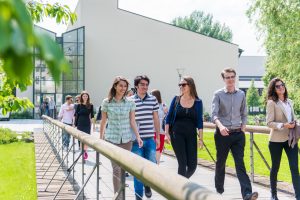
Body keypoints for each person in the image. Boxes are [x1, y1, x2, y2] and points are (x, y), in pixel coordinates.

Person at [211, 68, 258, 200]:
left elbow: (244, 113)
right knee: (221, 162)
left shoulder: (241, 94)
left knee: (240, 163)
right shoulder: (218, 94)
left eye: (232, 77)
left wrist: (243, 125)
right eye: (228, 77)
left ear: (235, 77)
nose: (230, 79)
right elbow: (214, 115)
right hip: (222, 135)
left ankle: (247, 193)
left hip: (238, 135)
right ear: (224, 79)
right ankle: (219, 189)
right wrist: (220, 127)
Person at [100, 76, 143, 200]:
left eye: (125, 86)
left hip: (126, 140)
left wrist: (138, 137)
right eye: (120, 86)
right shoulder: (106, 102)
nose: (123, 88)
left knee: (123, 169)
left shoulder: (130, 102)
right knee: (116, 169)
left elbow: (132, 121)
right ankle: (118, 197)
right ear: (115, 86)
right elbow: (103, 121)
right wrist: (100, 138)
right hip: (111, 139)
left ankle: (122, 196)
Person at [266, 78, 300, 200]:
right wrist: (284, 125)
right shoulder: (271, 103)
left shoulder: (289, 102)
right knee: (275, 167)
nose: (281, 87)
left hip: (291, 139)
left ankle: (298, 196)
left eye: (282, 85)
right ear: (273, 89)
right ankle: (273, 194)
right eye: (277, 86)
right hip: (276, 141)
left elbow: (292, 118)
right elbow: (269, 123)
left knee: (295, 167)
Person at [128, 75, 160, 200]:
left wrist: (157, 136)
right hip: (135, 141)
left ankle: (148, 184)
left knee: (151, 166)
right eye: (142, 84)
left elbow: (156, 118)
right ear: (136, 86)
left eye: (146, 84)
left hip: (149, 139)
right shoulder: (130, 100)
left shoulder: (153, 100)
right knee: (137, 170)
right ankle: (138, 196)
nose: (145, 87)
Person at [165, 77, 203, 178]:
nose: (181, 87)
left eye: (183, 84)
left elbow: (199, 121)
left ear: (190, 85)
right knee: (182, 164)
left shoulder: (198, 102)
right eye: (180, 85)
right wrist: (166, 133)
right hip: (176, 134)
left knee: (192, 166)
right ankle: (179, 191)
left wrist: (201, 138)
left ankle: (179, 185)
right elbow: (168, 117)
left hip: (191, 135)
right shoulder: (176, 99)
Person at [74, 91, 94, 160]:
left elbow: (92, 116)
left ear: (88, 97)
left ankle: (85, 151)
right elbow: (76, 115)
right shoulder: (78, 105)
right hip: (80, 123)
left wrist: (93, 126)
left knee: (86, 137)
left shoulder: (91, 105)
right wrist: (74, 124)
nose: (85, 97)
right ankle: (82, 150)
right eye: (84, 96)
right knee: (80, 138)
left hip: (87, 124)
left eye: (86, 96)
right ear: (81, 97)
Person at [150, 89, 168, 164]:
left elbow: (167, 116)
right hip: (152, 130)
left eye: (151, 94)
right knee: (152, 149)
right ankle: (153, 164)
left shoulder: (163, 105)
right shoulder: (150, 105)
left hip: (161, 131)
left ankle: (156, 165)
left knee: (159, 149)